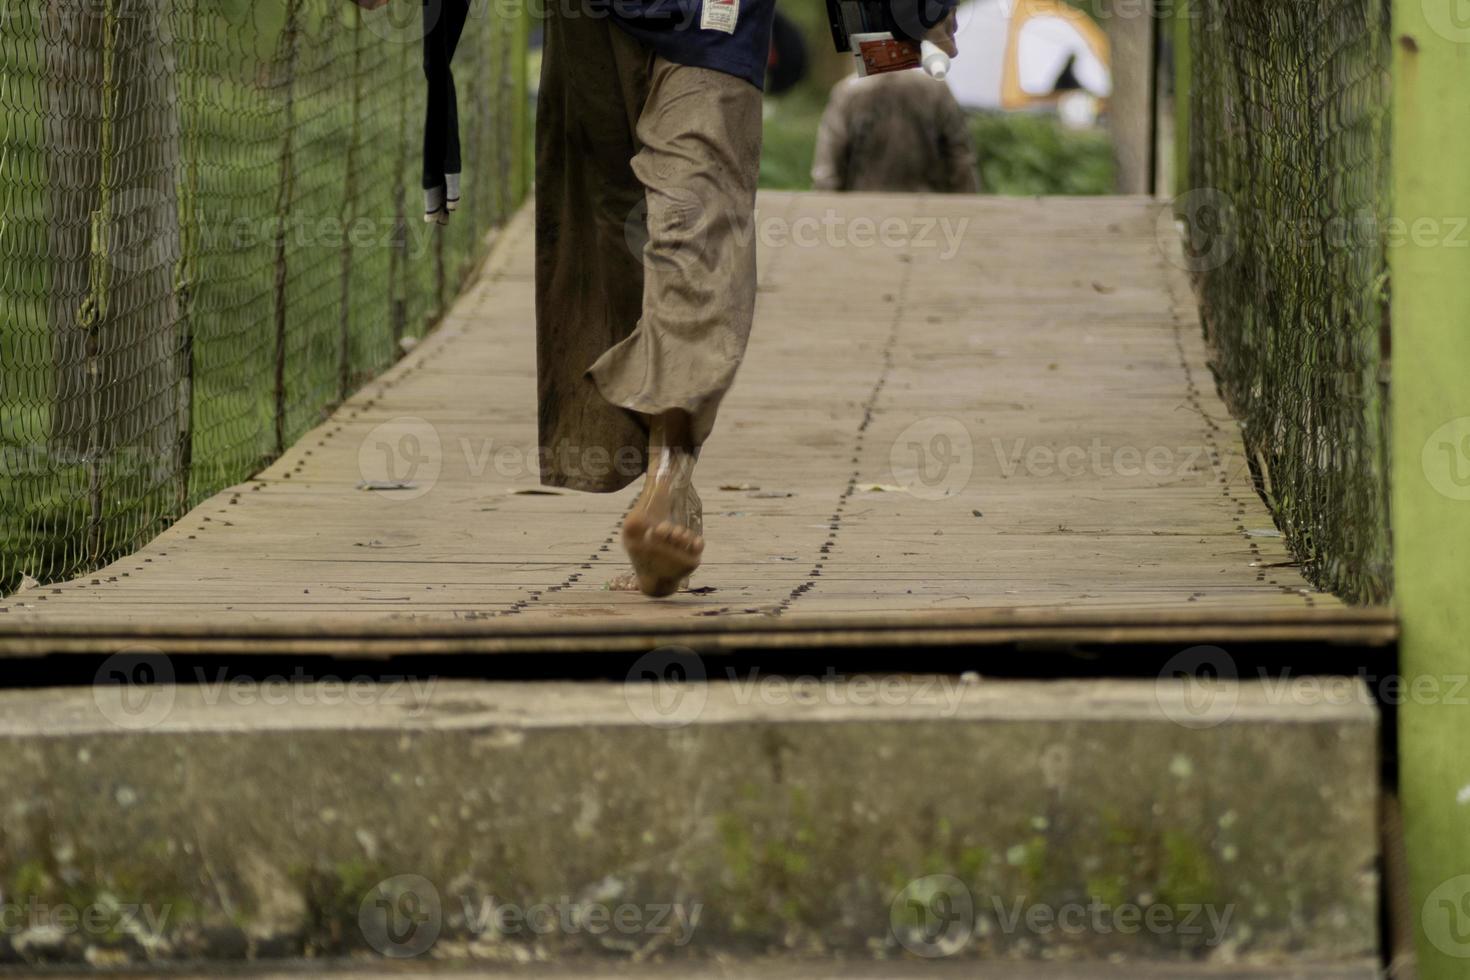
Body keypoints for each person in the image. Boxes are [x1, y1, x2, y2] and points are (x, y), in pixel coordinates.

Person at [535, 0, 961, 596]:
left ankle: (669, 477)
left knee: (697, 215)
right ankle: (649, 454)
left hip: (716, 19)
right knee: (610, 227)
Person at [812, 70, 980, 194]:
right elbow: (960, 159)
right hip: (927, 213)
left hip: (864, 214)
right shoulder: (935, 88)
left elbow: (827, 170)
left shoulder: (848, 92)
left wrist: (828, 219)